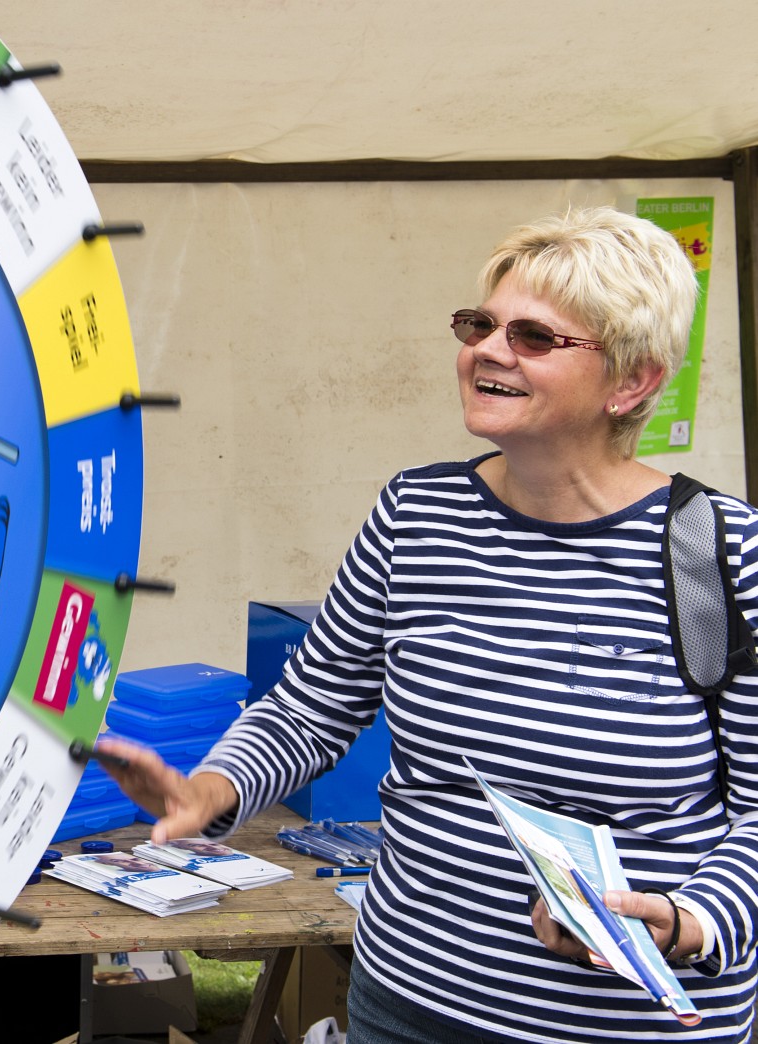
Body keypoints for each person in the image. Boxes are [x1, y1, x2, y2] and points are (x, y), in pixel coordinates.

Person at [99, 206, 758, 1043]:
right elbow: (309, 710)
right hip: (408, 1004)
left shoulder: (719, 553)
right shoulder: (417, 513)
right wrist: (211, 790)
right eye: (480, 325)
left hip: (626, 1027)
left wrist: (688, 919)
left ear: (631, 382)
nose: (489, 350)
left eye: (534, 337)